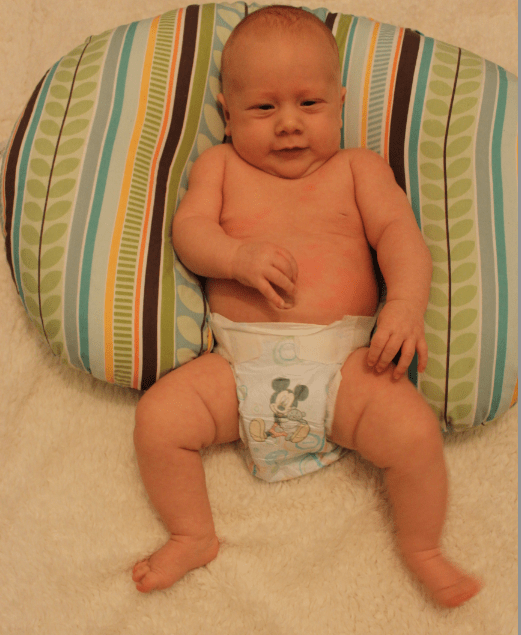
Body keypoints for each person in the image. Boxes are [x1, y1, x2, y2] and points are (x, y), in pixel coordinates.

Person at [132, 5, 481, 607]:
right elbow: (189, 233)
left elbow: (401, 237)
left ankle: (423, 546)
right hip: (236, 367)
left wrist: (404, 305)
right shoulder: (220, 167)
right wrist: (236, 257)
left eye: (309, 104)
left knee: (415, 435)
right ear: (227, 113)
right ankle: (192, 534)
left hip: (347, 367)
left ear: (340, 104)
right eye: (264, 108)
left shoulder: (358, 169)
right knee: (158, 421)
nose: (289, 124)